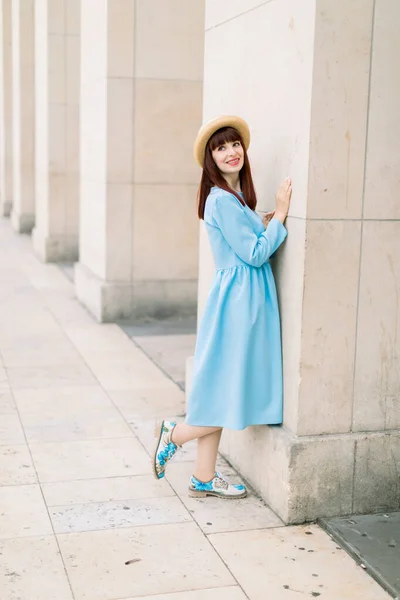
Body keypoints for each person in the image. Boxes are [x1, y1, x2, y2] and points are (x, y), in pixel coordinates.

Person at [152, 115, 292, 499]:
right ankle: (176, 433)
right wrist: (279, 213)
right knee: (228, 389)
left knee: (220, 388)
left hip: (240, 298)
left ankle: (203, 475)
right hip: (239, 303)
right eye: (221, 147)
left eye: (235, 145)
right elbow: (255, 253)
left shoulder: (232, 200)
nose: (231, 152)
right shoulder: (222, 201)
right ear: (210, 160)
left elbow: (245, 239)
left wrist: (262, 219)